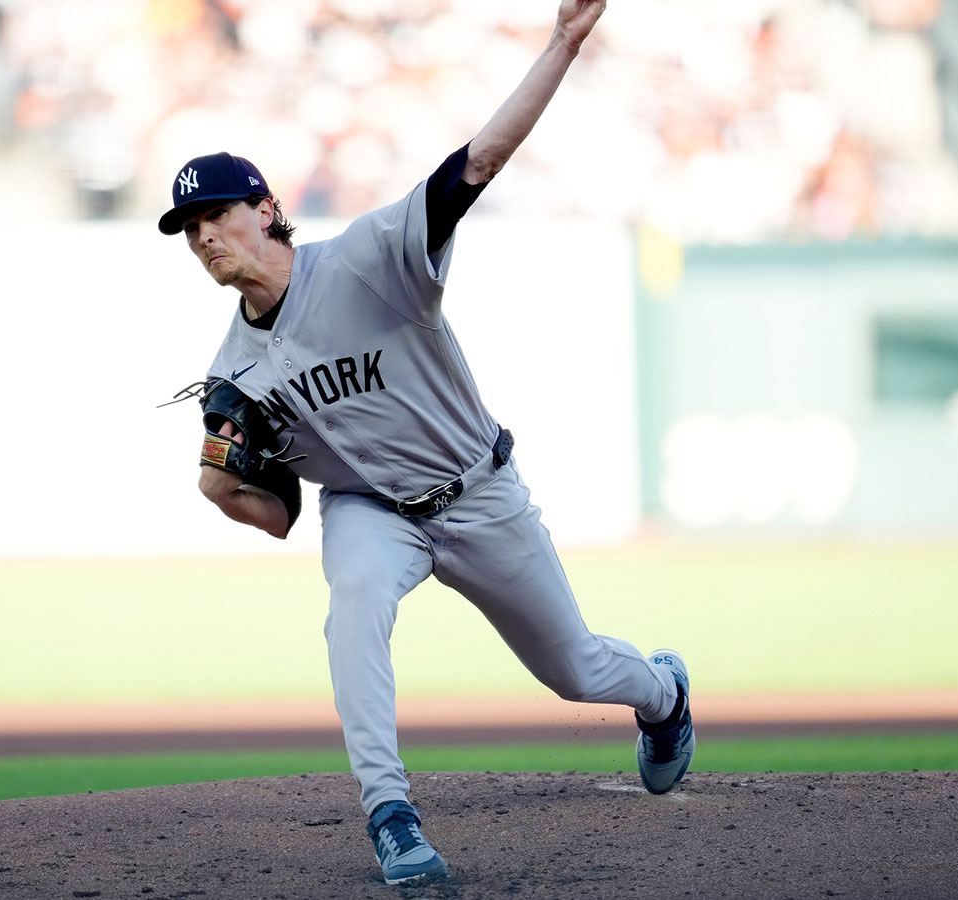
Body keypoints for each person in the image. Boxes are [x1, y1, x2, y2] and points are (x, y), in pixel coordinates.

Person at [156, 0, 693, 886]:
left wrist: (562, 42)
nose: (205, 235)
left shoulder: (370, 257)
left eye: (217, 213)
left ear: (265, 208)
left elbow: (479, 161)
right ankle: (391, 813)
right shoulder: (231, 376)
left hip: (477, 490)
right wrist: (224, 494)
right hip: (371, 509)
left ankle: (663, 693)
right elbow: (280, 511)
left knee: (576, 669)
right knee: (355, 601)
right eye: (190, 229)